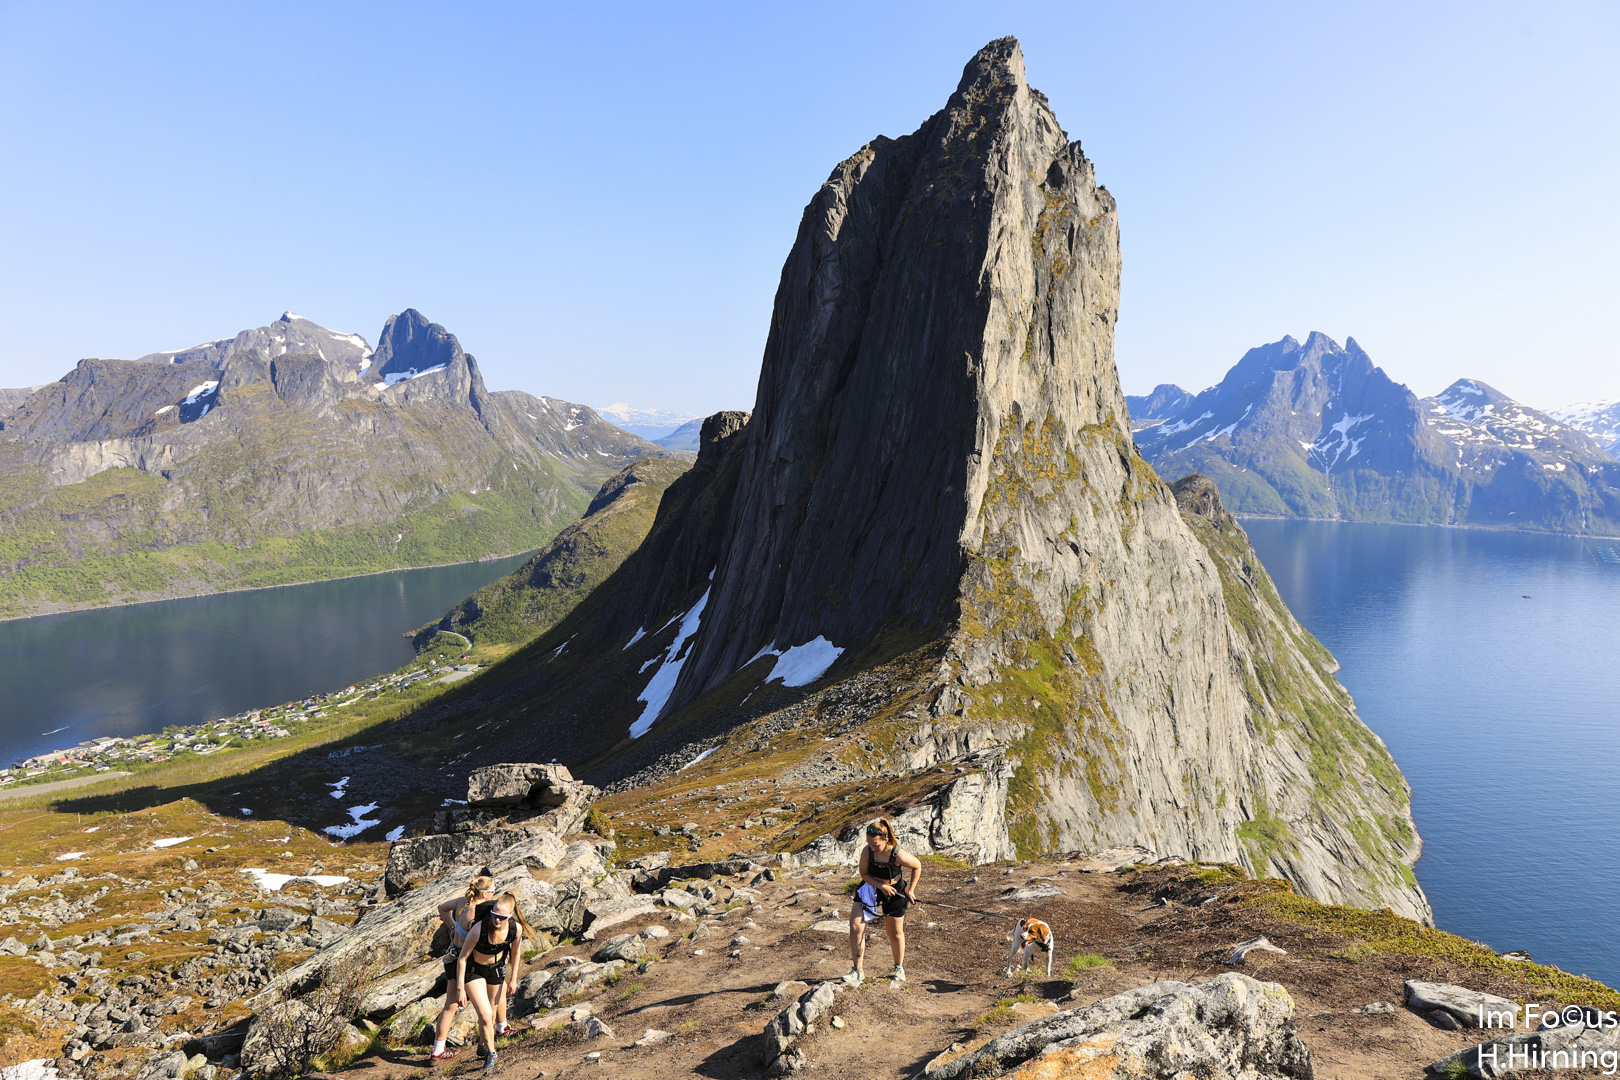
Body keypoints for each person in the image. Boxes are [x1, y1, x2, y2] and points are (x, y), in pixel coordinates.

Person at [455, 891, 531, 1071]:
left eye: (502, 918)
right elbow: (462, 959)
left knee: (493, 1010)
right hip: (475, 971)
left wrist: (513, 979)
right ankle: (491, 1052)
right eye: (494, 915)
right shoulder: (478, 929)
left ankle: (483, 1044)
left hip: (496, 969)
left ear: (510, 915)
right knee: (485, 1013)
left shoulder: (515, 929)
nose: (497, 921)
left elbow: (515, 953)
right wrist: (460, 988)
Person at [846, 818, 922, 985]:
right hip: (871, 887)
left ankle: (898, 968)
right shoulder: (868, 852)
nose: (873, 848)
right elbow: (864, 874)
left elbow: (917, 866)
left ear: (885, 840)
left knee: (894, 932)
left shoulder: (898, 854)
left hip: (895, 891)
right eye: (870, 844)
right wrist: (881, 886)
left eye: (876, 845)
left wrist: (911, 890)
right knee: (855, 926)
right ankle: (857, 970)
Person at [429, 875, 494, 1063]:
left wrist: (452, 926)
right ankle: (487, 1044)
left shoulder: (461, 903)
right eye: (493, 891)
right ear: (485, 894)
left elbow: (442, 907)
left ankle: (438, 1051)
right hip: (465, 963)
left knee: (450, 1005)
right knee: (484, 1005)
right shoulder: (476, 912)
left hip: (451, 957)